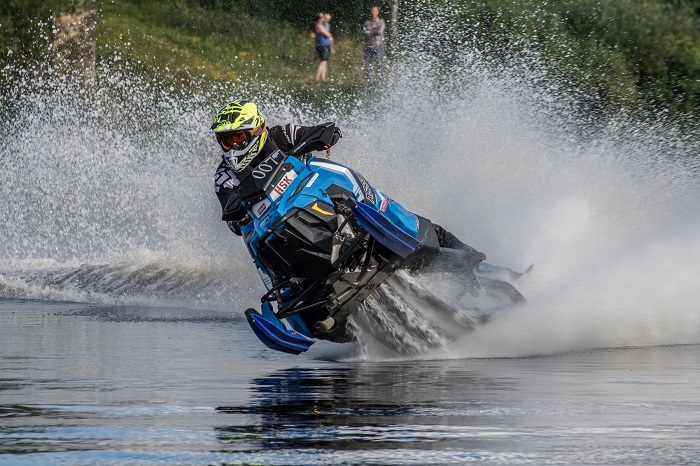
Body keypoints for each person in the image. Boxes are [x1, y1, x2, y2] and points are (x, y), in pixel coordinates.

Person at [210, 100, 485, 264]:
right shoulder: (224, 176)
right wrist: (238, 216)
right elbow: (232, 217)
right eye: (226, 139)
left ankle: (466, 254)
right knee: (255, 243)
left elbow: (320, 131)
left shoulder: (281, 135)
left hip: (319, 196)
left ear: (257, 129)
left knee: (394, 210)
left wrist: (326, 135)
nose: (234, 144)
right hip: (279, 230)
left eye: (239, 136)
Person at [363, 5, 385, 81]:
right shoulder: (367, 22)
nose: (374, 13)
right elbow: (365, 32)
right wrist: (374, 31)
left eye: (375, 11)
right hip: (369, 45)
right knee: (368, 63)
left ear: (378, 12)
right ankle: (368, 79)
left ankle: (380, 79)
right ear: (371, 12)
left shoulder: (381, 21)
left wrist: (371, 32)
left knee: (379, 62)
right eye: (372, 11)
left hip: (378, 45)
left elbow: (380, 31)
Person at [314, 12, 333, 81]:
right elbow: (328, 34)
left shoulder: (321, 25)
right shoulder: (319, 26)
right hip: (323, 45)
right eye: (322, 17)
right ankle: (317, 77)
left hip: (323, 45)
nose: (324, 19)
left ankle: (323, 78)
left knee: (325, 61)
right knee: (323, 61)